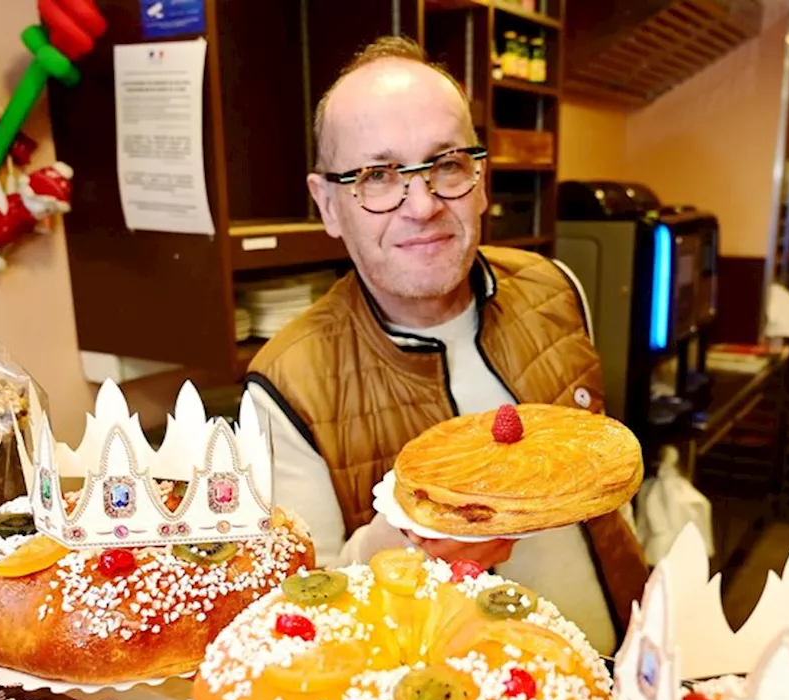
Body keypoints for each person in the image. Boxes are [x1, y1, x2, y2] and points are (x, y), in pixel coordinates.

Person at [244, 36, 646, 655]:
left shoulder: (555, 288)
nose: (423, 204)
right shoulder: (286, 382)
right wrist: (414, 535)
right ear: (328, 204)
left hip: (619, 670)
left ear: (480, 180)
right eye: (377, 176)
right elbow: (304, 611)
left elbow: (606, 500)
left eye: (447, 164)